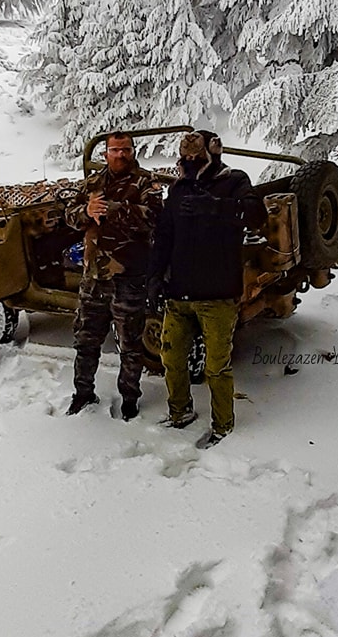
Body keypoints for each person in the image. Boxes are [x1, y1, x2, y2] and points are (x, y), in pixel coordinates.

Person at [149, 129, 266, 448]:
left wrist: (216, 207)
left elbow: (256, 215)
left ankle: (223, 425)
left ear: (213, 155)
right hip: (179, 293)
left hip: (218, 295)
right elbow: (165, 236)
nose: (189, 162)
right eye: (185, 157)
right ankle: (179, 412)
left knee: (216, 367)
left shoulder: (234, 180)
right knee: (172, 359)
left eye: (196, 157)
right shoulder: (179, 188)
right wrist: (154, 277)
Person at [64, 131, 163, 420]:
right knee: (85, 340)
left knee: (130, 344)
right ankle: (83, 392)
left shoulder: (146, 182)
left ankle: (130, 398)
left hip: (129, 277)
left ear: (133, 151)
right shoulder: (92, 183)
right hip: (94, 277)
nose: (120, 155)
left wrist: (115, 209)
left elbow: (155, 217)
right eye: (115, 150)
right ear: (105, 153)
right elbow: (69, 216)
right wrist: (86, 211)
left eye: (125, 149)